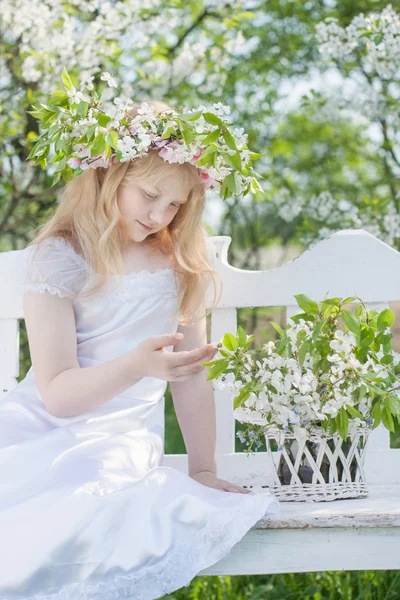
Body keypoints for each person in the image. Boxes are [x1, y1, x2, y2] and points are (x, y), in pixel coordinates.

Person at [0, 80, 280, 599]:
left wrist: (203, 467)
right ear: (109, 174)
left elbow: (191, 377)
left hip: (119, 437)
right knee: (38, 505)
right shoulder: (61, 259)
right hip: (48, 422)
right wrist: (135, 365)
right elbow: (58, 394)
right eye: (149, 195)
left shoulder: (178, 266)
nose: (157, 215)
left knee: (100, 481)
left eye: (174, 205)